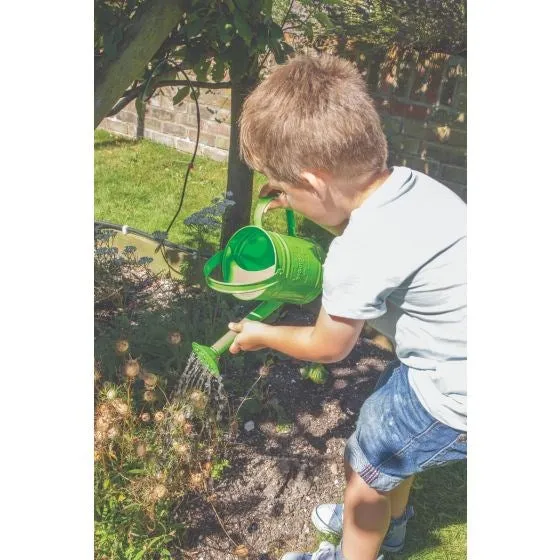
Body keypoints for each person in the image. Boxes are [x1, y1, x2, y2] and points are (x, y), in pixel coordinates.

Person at [228, 54, 467, 560]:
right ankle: (391, 526)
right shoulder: (412, 185)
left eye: (288, 192)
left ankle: (359, 546)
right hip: (452, 358)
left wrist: (260, 332)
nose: (286, 202)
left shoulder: (356, 253)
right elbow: (362, 233)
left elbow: (328, 345)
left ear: (315, 183)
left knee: (365, 473)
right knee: (385, 453)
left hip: (454, 391)